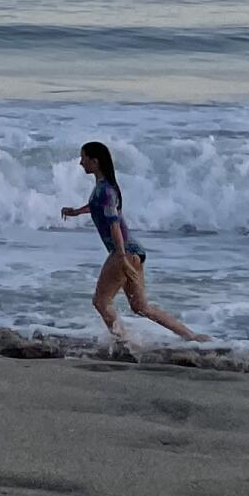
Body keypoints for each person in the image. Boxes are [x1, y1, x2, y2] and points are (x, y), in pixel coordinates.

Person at [62, 140, 203, 344]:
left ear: (95, 161)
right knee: (141, 307)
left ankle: (124, 342)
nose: (80, 162)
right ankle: (191, 337)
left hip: (125, 251)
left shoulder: (106, 190)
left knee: (100, 302)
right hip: (133, 250)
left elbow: (114, 224)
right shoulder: (104, 188)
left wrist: (121, 258)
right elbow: (98, 207)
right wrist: (76, 211)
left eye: (83, 158)